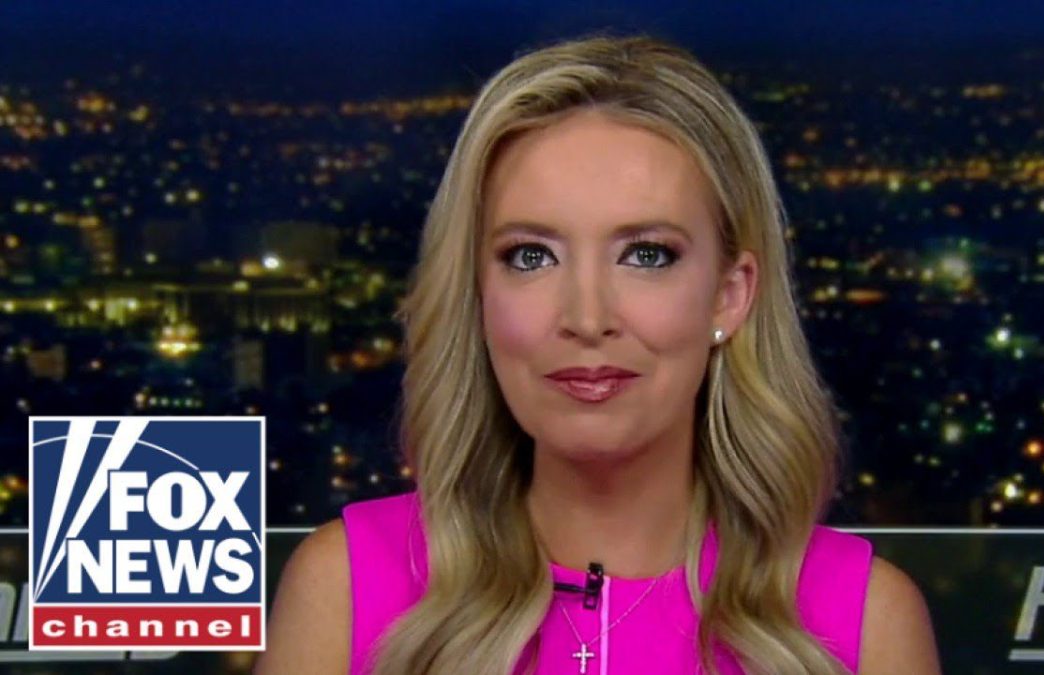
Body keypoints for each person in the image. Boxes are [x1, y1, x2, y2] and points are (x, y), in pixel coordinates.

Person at [255, 33, 940, 675]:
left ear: (729, 295)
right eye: (531, 256)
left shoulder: (865, 622)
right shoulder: (345, 588)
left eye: (647, 255)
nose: (586, 319)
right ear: (478, 293)